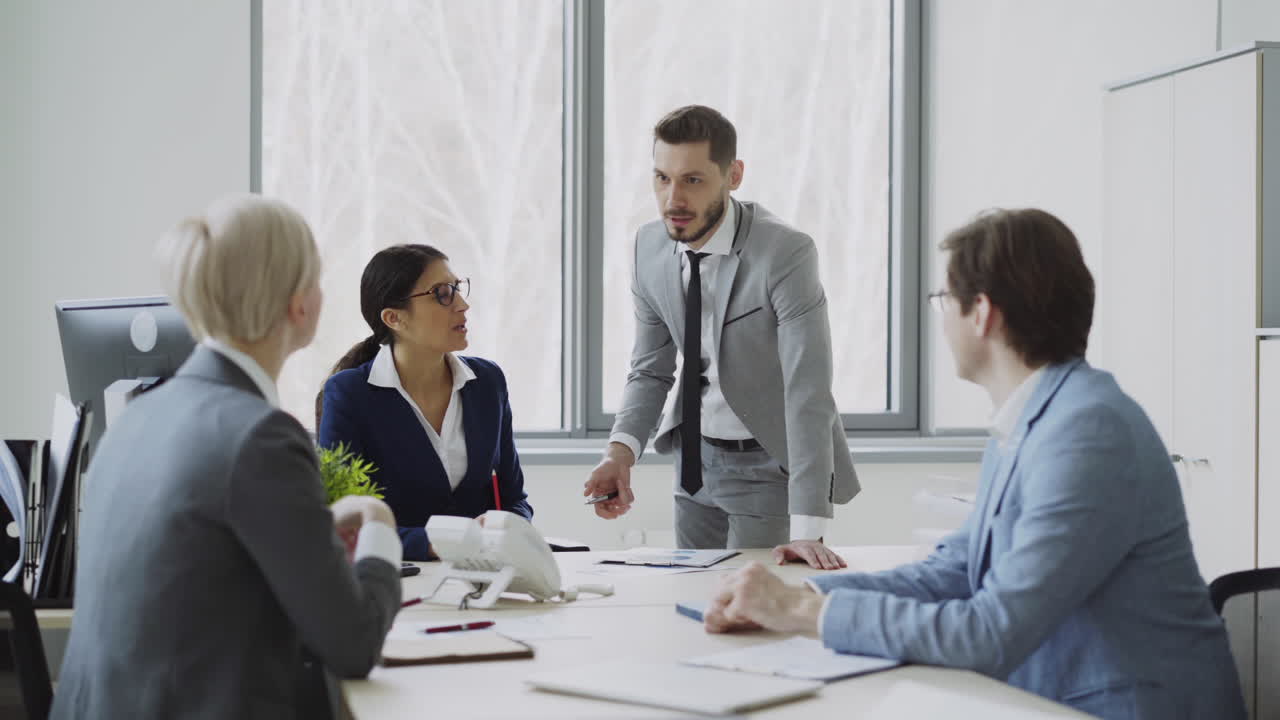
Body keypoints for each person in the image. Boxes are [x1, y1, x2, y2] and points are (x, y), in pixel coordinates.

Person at [703, 208, 1246, 719]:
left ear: (982, 313)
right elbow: (957, 571)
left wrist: (803, 616)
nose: (942, 321)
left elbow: (991, 631)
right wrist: (803, 593)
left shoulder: (1088, 432)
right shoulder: (1033, 417)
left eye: (945, 301)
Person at [51, 195, 402, 720]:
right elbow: (353, 645)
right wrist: (379, 527)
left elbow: (202, 556)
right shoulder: (261, 436)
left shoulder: (136, 418)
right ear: (298, 304)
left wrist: (315, 525)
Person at [584, 105, 858, 569]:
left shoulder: (784, 253)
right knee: (693, 607)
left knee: (754, 610)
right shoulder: (648, 248)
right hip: (693, 464)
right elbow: (650, 369)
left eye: (693, 180)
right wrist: (620, 453)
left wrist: (808, 529)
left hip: (767, 468)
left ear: (733, 175)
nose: (673, 198)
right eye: (662, 178)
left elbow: (807, 389)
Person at [318, 244, 532, 562]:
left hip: (483, 575)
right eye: (442, 293)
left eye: (458, 289)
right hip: (396, 581)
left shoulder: (488, 382)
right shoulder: (349, 394)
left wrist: (504, 526)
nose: (462, 304)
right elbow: (343, 521)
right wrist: (438, 542)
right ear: (394, 318)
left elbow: (515, 500)